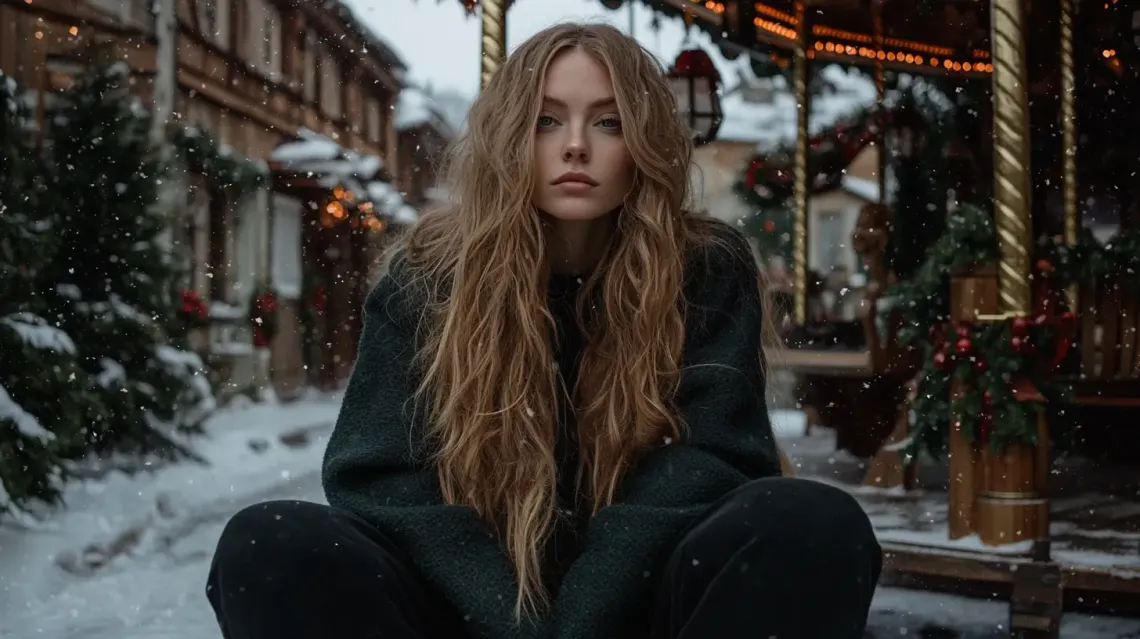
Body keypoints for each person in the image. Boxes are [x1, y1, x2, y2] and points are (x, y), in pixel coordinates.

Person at [205, 23, 881, 639]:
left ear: (644, 140)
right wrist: (513, 618)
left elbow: (712, 460)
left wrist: (581, 615)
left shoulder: (703, 269)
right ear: (508, 137)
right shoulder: (427, 275)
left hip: (645, 603)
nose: (576, 145)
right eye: (545, 121)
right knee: (269, 541)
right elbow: (378, 474)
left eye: (609, 122)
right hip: (465, 610)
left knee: (813, 523)